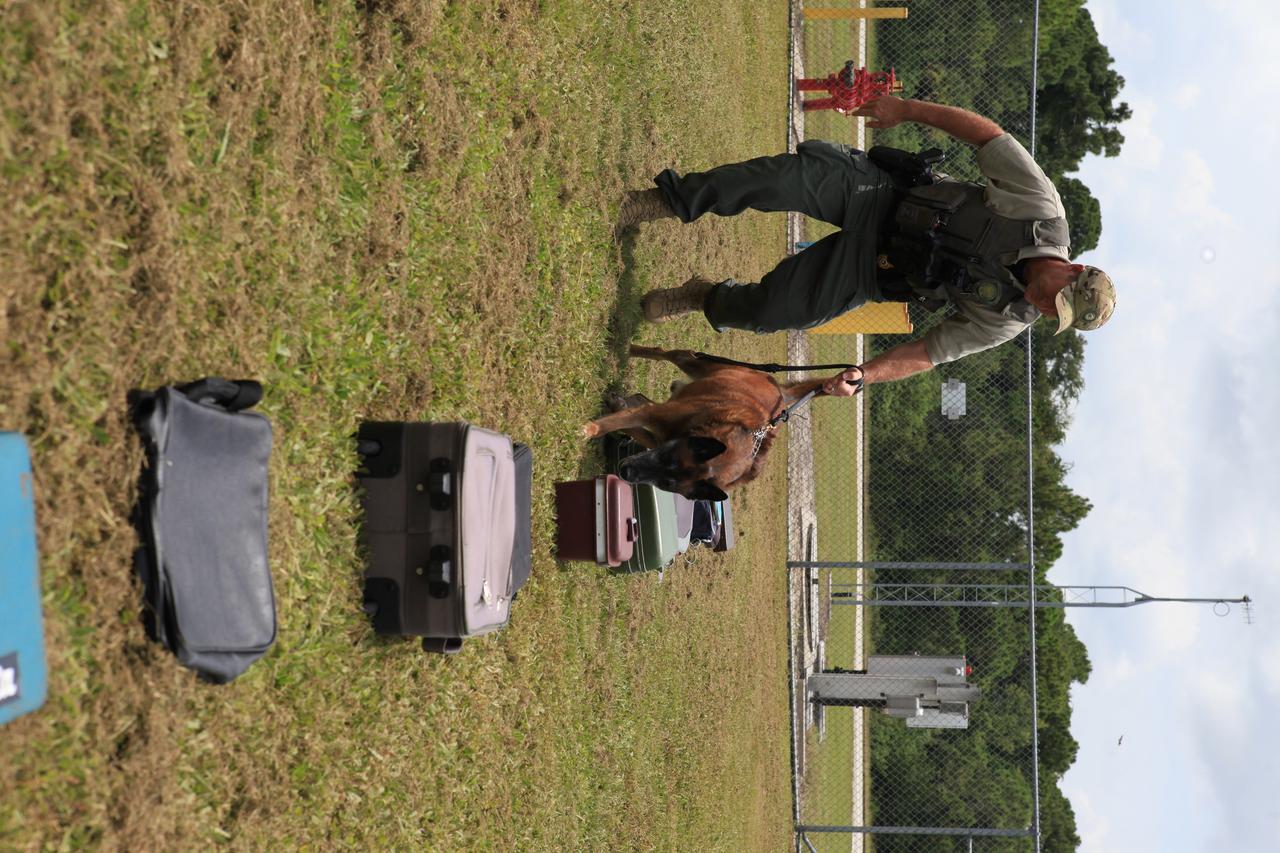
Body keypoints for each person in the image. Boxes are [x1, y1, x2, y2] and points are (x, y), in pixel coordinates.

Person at [615, 95, 1116, 397]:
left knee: (773, 310)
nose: (1046, 308)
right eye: (1058, 298)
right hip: (882, 197)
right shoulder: (1039, 210)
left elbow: (930, 352)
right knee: (781, 180)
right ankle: (662, 203)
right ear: (1073, 269)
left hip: (875, 269)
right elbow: (989, 137)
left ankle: (703, 296)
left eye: (1055, 317)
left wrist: (864, 374)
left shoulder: (1007, 319)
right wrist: (905, 110)